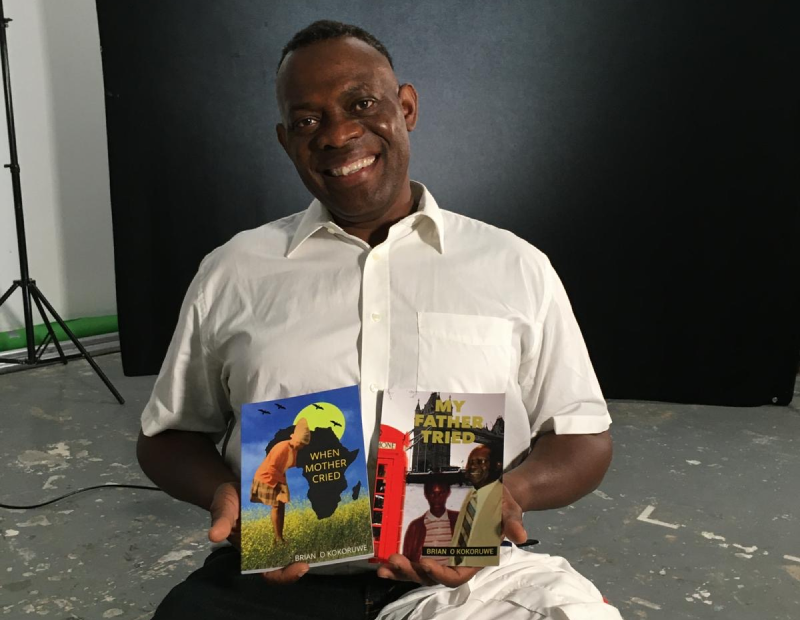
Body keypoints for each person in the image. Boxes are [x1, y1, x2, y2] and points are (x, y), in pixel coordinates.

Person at [137, 19, 623, 620]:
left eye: (361, 103)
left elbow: (583, 436)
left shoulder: (515, 266)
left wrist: (510, 495)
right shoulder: (235, 271)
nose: (339, 134)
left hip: (466, 582)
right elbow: (168, 435)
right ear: (287, 140)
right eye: (308, 120)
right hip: (279, 575)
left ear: (407, 107)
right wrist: (225, 492)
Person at [249, 418, 311, 543]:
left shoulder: (295, 450)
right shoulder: (282, 447)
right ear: (293, 437)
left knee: (280, 506)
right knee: (277, 506)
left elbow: (289, 463)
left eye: (304, 444)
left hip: (278, 477)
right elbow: (271, 468)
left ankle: (279, 537)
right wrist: (281, 484)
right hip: (267, 477)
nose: (301, 446)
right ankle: (278, 538)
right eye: (300, 442)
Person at [449, 445, 503, 567]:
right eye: (470, 462)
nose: (473, 466)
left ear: (497, 465)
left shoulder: (503, 497)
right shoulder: (472, 494)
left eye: (480, 462)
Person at [402, 480, 459, 564]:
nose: (436, 498)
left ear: (448, 493)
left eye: (441, 493)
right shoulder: (415, 527)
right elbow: (407, 560)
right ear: (426, 495)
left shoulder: (459, 520)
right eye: (432, 493)